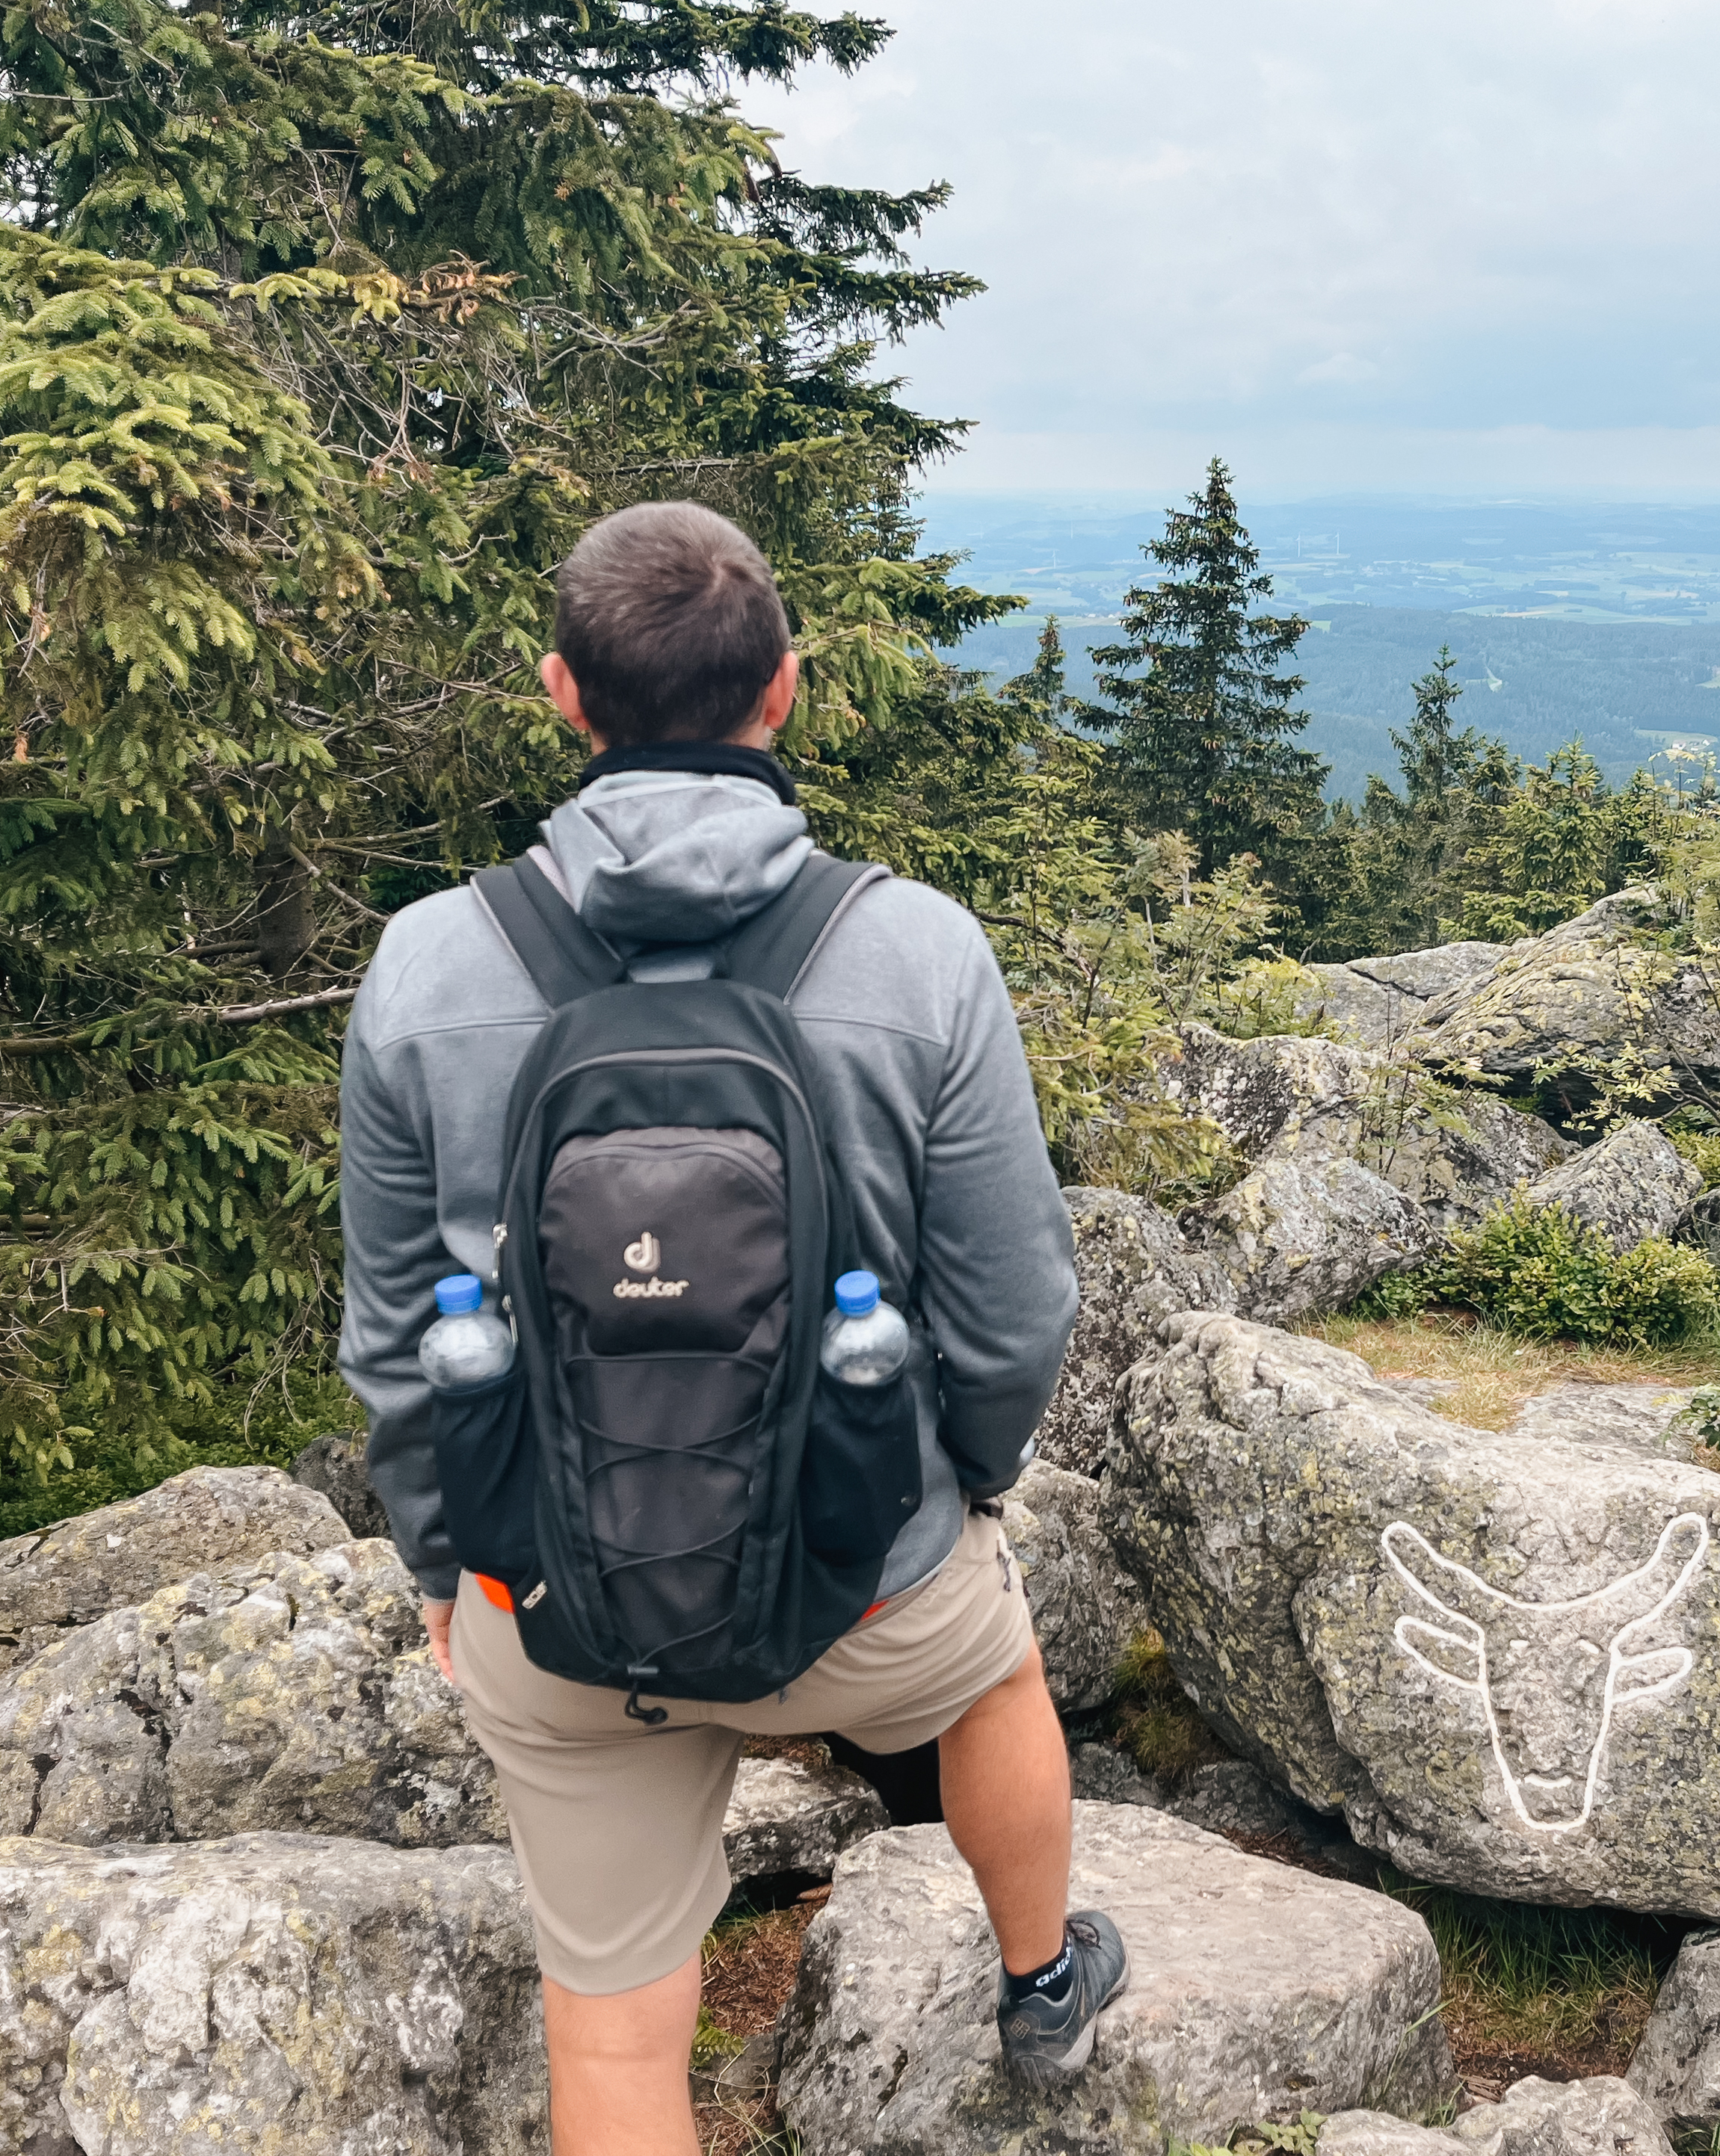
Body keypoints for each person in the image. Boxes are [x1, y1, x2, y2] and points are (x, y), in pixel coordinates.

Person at [338, 501, 1118, 2152]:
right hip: (871, 1580)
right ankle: (1042, 1982)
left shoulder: (426, 965)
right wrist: (953, 1494)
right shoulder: (912, 949)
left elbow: (399, 1332)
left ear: (565, 695)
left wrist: (441, 1565)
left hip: (556, 1609)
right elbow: (1014, 1299)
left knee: (615, 2050)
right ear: (785, 692)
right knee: (995, 1679)